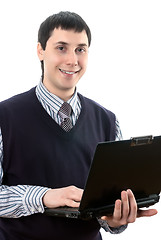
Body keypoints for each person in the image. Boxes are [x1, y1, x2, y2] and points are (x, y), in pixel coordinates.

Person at [0, 11, 157, 240]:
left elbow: (107, 214)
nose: (72, 60)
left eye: (80, 50)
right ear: (40, 51)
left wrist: (114, 220)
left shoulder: (108, 121)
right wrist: (43, 197)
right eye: (61, 48)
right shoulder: (5, 117)